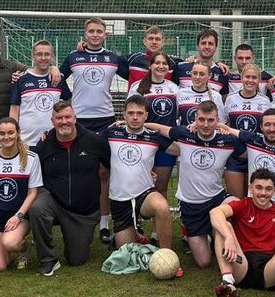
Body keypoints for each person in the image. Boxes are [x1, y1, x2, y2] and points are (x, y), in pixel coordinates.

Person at [59, 18, 130, 243]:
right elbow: (57, 78)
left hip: (105, 120)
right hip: (78, 121)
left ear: (105, 35)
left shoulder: (113, 58)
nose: (95, 35)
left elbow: (137, 75)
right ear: (85, 34)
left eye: (99, 31)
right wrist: (69, 98)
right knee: (77, 171)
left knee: (104, 173)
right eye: (91, 31)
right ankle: (76, 218)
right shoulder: (74, 56)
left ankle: (104, 223)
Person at [145, 101, 238, 269]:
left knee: (238, 206)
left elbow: (253, 143)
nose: (205, 124)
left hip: (216, 198)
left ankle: (222, 234)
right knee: (204, 262)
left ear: (217, 120)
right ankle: (202, 232)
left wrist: (227, 128)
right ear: (195, 119)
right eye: (201, 119)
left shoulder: (227, 140)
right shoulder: (184, 134)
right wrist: (136, 124)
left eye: (211, 120)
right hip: (191, 205)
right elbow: (158, 129)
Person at [29, 100, 112, 275]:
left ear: (75, 118)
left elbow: (115, 165)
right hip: (54, 202)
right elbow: (33, 175)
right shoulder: (44, 144)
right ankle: (48, 259)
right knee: (37, 208)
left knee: (76, 260)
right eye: (59, 118)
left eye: (67, 117)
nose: (64, 121)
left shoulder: (94, 141)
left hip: (83, 211)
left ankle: (77, 239)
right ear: (52, 121)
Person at [209, 168, 275, 297]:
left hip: (269, 269)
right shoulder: (243, 204)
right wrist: (229, 237)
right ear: (251, 188)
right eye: (258, 187)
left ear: (274, 191)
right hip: (242, 264)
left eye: (268, 189)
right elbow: (214, 212)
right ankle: (228, 283)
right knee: (223, 227)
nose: (263, 193)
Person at [104, 95, 173, 248]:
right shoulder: (111, 133)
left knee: (162, 207)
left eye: (140, 113)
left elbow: (183, 149)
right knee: (126, 252)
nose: (135, 117)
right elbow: (86, 141)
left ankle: (167, 253)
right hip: (120, 199)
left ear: (146, 115)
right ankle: (133, 234)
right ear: (124, 115)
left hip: (144, 194)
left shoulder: (154, 136)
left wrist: (219, 129)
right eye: (131, 113)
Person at [0, 118, 43, 272]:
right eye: (2, 133)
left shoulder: (31, 158)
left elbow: (33, 192)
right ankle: (3, 244)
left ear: (18, 133)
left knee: (10, 243)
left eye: (11, 133)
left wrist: (18, 216)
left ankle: (24, 249)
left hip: (19, 217)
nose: (6, 137)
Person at [221, 108, 275, 218]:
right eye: (267, 125)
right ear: (261, 127)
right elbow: (225, 128)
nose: (271, 129)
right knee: (224, 211)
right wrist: (223, 130)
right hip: (256, 205)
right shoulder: (253, 140)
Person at [134, 51, 182, 197]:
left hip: (166, 144)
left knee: (161, 188)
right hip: (145, 142)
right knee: (141, 187)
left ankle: (161, 212)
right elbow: (132, 113)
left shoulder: (174, 88)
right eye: (157, 63)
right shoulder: (138, 87)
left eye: (164, 63)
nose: (161, 66)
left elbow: (179, 114)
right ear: (150, 65)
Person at [9, 39, 71, 148]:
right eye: (39, 54)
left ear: (52, 57)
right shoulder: (21, 79)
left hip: (53, 141)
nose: (43, 58)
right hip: (26, 142)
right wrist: (15, 135)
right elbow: (14, 110)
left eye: (47, 54)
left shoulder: (58, 79)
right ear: (33, 57)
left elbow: (69, 103)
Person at [223, 63, 270, 198]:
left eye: (254, 77)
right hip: (235, 154)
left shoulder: (265, 101)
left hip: (256, 153)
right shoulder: (231, 99)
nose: (250, 80)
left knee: (255, 198)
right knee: (236, 199)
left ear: (259, 80)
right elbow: (225, 123)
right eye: (247, 77)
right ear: (241, 78)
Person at [173, 28, 229, 95]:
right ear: (197, 46)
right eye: (203, 43)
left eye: (210, 44)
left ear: (216, 47)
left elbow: (223, 98)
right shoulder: (181, 67)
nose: (207, 46)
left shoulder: (222, 72)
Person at [177, 61, 225, 126]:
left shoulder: (215, 96)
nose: (197, 77)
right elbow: (175, 118)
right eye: (195, 73)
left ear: (209, 76)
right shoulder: (181, 93)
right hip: (185, 132)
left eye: (202, 74)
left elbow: (222, 123)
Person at [127, 25, 172, 91]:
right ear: (144, 41)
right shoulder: (132, 60)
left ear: (163, 42)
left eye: (157, 39)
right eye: (150, 39)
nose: (154, 42)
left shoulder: (172, 62)